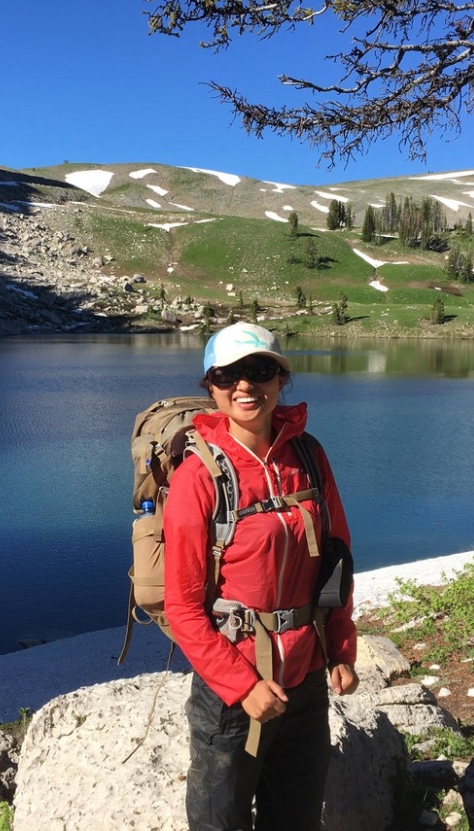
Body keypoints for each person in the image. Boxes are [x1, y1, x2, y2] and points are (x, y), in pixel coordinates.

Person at [163, 322, 359, 831]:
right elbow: (182, 607)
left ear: (281, 379)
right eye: (227, 375)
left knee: (296, 819)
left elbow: (337, 557)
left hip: (305, 679)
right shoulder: (198, 476)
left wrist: (340, 648)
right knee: (220, 821)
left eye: (259, 370)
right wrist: (241, 685)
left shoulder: (309, 457)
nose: (245, 385)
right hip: (232, 690)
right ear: (211, 387)